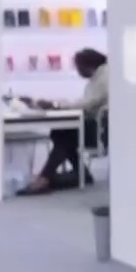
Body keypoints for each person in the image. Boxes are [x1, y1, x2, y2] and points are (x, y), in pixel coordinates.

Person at [15, 49, 110, 196]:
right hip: (97, 125)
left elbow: (88, 103)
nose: (78, 71)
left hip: (101, 130)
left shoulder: (104, 77)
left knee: (66, 135)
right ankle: (78, 173)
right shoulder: (98, 77)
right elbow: (85, 103)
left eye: (78, 67)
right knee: (60, 133)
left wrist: (56, 105)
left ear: (88, 65)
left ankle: (45, 178)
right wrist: (55, 104)